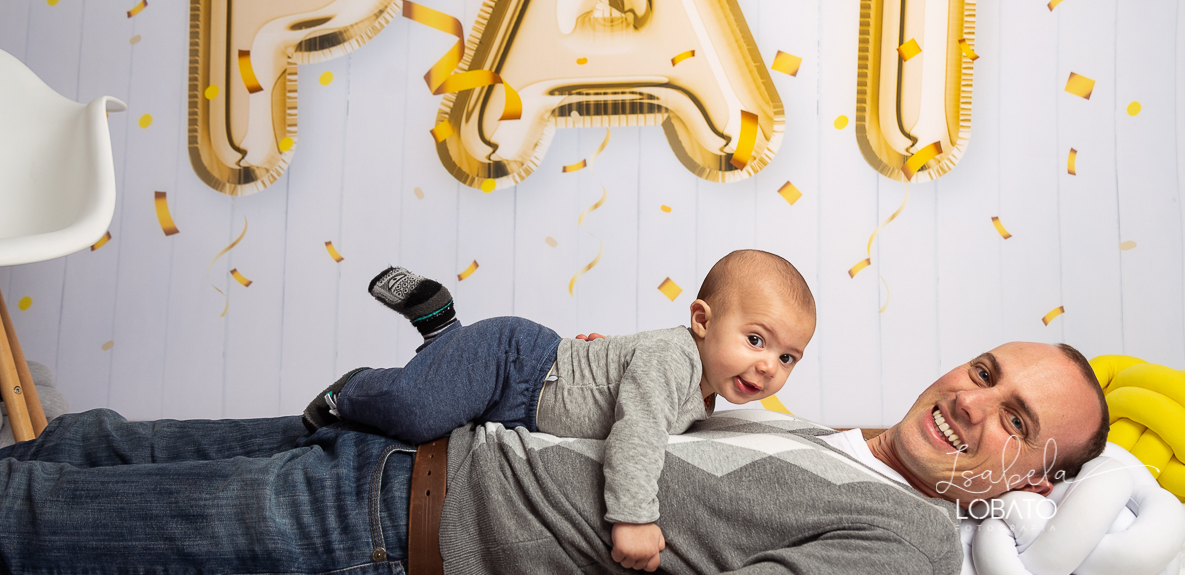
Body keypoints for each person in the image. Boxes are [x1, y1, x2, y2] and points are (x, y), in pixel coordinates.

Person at [0, 344, 1108, 573]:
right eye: (985, 374)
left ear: (1036, 483)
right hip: (405, 447)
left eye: (1017, 424)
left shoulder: (908, 542)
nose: (972, 405)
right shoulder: (833, 434)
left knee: (38, 526)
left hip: (385, 528)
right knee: (95, 447)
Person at [301, 249, 818, 571]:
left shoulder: (700, 389)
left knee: (448, 394)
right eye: (756, 339)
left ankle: (440, 327)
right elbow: (637, 433)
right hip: (512, 364)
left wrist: (600, 350)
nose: (769, 365)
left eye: (787, 356)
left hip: (520, 393)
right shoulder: (674, 359)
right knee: (419, 412)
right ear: (702, 320)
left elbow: (617, 372)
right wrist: (634, 518)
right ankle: (352, 389)